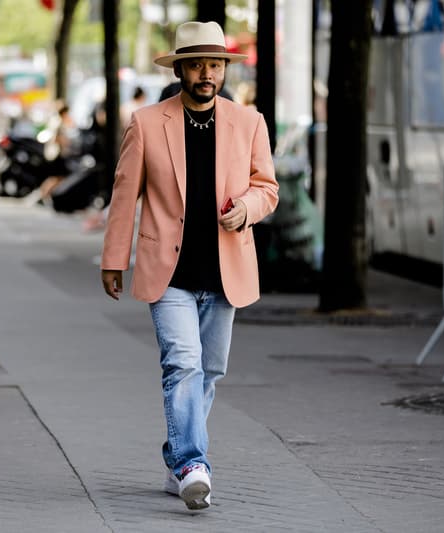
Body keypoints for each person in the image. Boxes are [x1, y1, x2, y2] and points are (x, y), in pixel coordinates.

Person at [100, 21, 279, 511]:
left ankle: (174, 457)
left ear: (224, 70)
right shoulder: (146, 122)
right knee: (183, 365)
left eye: (215, 64)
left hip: (225, 272)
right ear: (180, 68)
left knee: (210, 372)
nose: (207, 73)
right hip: (168, 272)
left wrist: (249, 207)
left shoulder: (249, 122)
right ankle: (193, 465)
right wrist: (114, 259)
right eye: (197, 64)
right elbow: (124, 195)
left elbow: (268, 188)